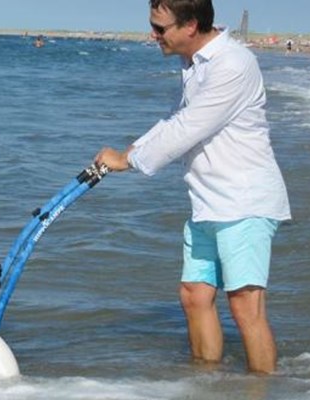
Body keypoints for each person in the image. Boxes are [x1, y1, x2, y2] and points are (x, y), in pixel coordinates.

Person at [94, 0, 290, 374]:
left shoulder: (232, 63)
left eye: (160, 28)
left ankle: (261, 387)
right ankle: (206, 384)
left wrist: (128, 161)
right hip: (207, 201)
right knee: (194, 296)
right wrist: (126, 152)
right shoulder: (193, 65)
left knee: (245, 306)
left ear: (190, 26)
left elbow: (189, 129)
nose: (153, 35)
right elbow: (173, 120)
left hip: (244, 201)